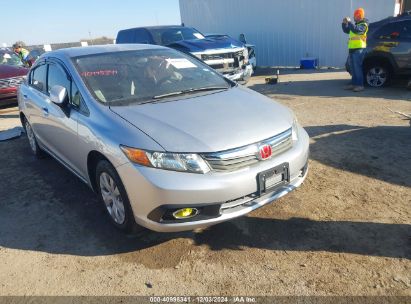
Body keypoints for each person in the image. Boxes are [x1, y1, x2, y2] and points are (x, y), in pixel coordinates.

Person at [342, 8, 369, 92]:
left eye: (356, 16)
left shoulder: (363, 25)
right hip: (352, 49)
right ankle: (354, 84)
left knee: (357, 68)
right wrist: (344, 23)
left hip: (359, 49)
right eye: (354, 16)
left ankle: (360, 85)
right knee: (353, 68)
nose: (354, 17)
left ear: (360, 16)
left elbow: (356, 31)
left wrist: (349, 22)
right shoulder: (355, 25)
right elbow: (346, 30)